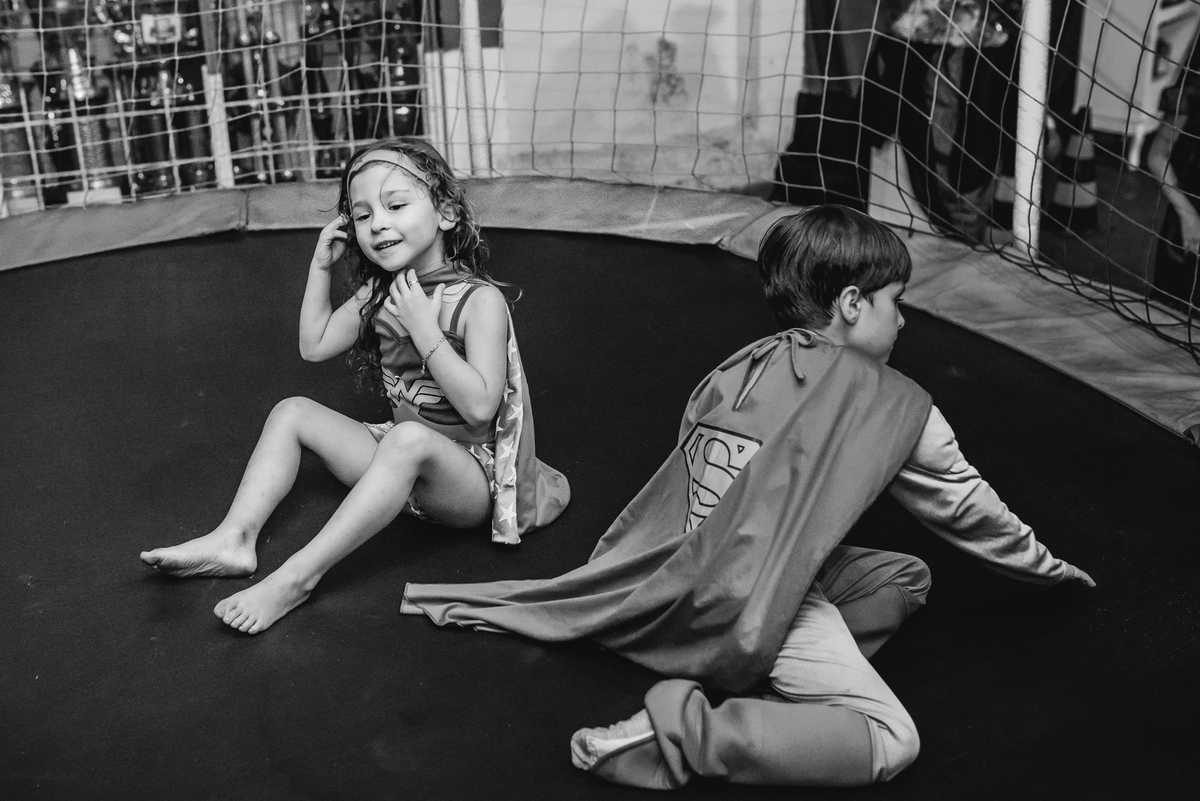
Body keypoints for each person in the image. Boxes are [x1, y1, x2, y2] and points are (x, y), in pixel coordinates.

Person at [400, 205, 1095, 789]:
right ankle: (688, 729)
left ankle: (763, 675)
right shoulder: (892, 400)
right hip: (752, 598)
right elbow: (967, 508)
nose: (904, 322)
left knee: (906, 575)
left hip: (675, 583)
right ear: (854, 304)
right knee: (893, 739)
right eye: (896, 303)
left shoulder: (737, 368)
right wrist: (1052, 571)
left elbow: (697, 481)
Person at [140, 137, 569, 634]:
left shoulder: (477, 301)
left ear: (447, 213)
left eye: (396, 206)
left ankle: (298, 577)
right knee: (292, 411)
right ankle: (234, 539)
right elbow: (315, 344)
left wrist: (424, 329)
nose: (377, 223)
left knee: (407, 440)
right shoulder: (379, 292)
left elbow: (479, 408)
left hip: (469, 482)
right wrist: (320, 268)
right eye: (363, 215)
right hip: (398, 468)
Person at [1147, 62, 1200, 312]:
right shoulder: (1192, 93)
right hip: (1190, 226)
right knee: (1173, 313)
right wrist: (1187, 215)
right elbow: (1156, 156)